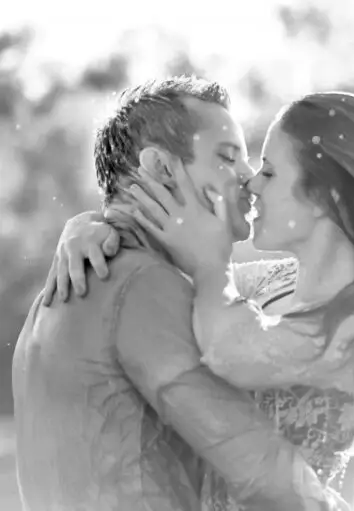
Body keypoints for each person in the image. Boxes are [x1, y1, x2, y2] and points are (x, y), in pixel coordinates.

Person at [40, 90, 354, 508]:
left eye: (269, 172)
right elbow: (176, 290)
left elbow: (233, 353)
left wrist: (211, 265)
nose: (251, 182)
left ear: (327, 197)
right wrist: (95, 226)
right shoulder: (271, 284)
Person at [13, 77, 333, 511]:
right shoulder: (143, 285)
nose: (249, 177)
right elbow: (251, 460)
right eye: (227, 157)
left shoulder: (61, 293)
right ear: (162, 168)